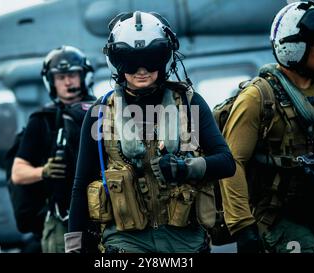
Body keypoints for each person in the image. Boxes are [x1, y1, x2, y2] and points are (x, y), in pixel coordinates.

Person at [64, 11, 235, 253]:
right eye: (130, 61)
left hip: (185, 240)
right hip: (126, 242)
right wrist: (73, 247)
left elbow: (227, 162)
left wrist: (185, 168)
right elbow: (81, 185)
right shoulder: (100, 113)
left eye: (151, 58)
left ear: (165, 57)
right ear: (116, 61)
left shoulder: (189, 104)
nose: (141, 69)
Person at [220, 1, 314, 253]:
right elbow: (232, 161)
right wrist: (242, 226)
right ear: (294, 47)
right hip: (279, 214)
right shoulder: (257, 97)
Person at [11, 45, 96, 253]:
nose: (68, 82)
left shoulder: (103, 112)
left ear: (83, 76)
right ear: (51, 82)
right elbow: (18, 173)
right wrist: (44, 172)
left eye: (73, 75)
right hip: (62, 219)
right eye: (60, 77)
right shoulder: (42, 120)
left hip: (106, 215)